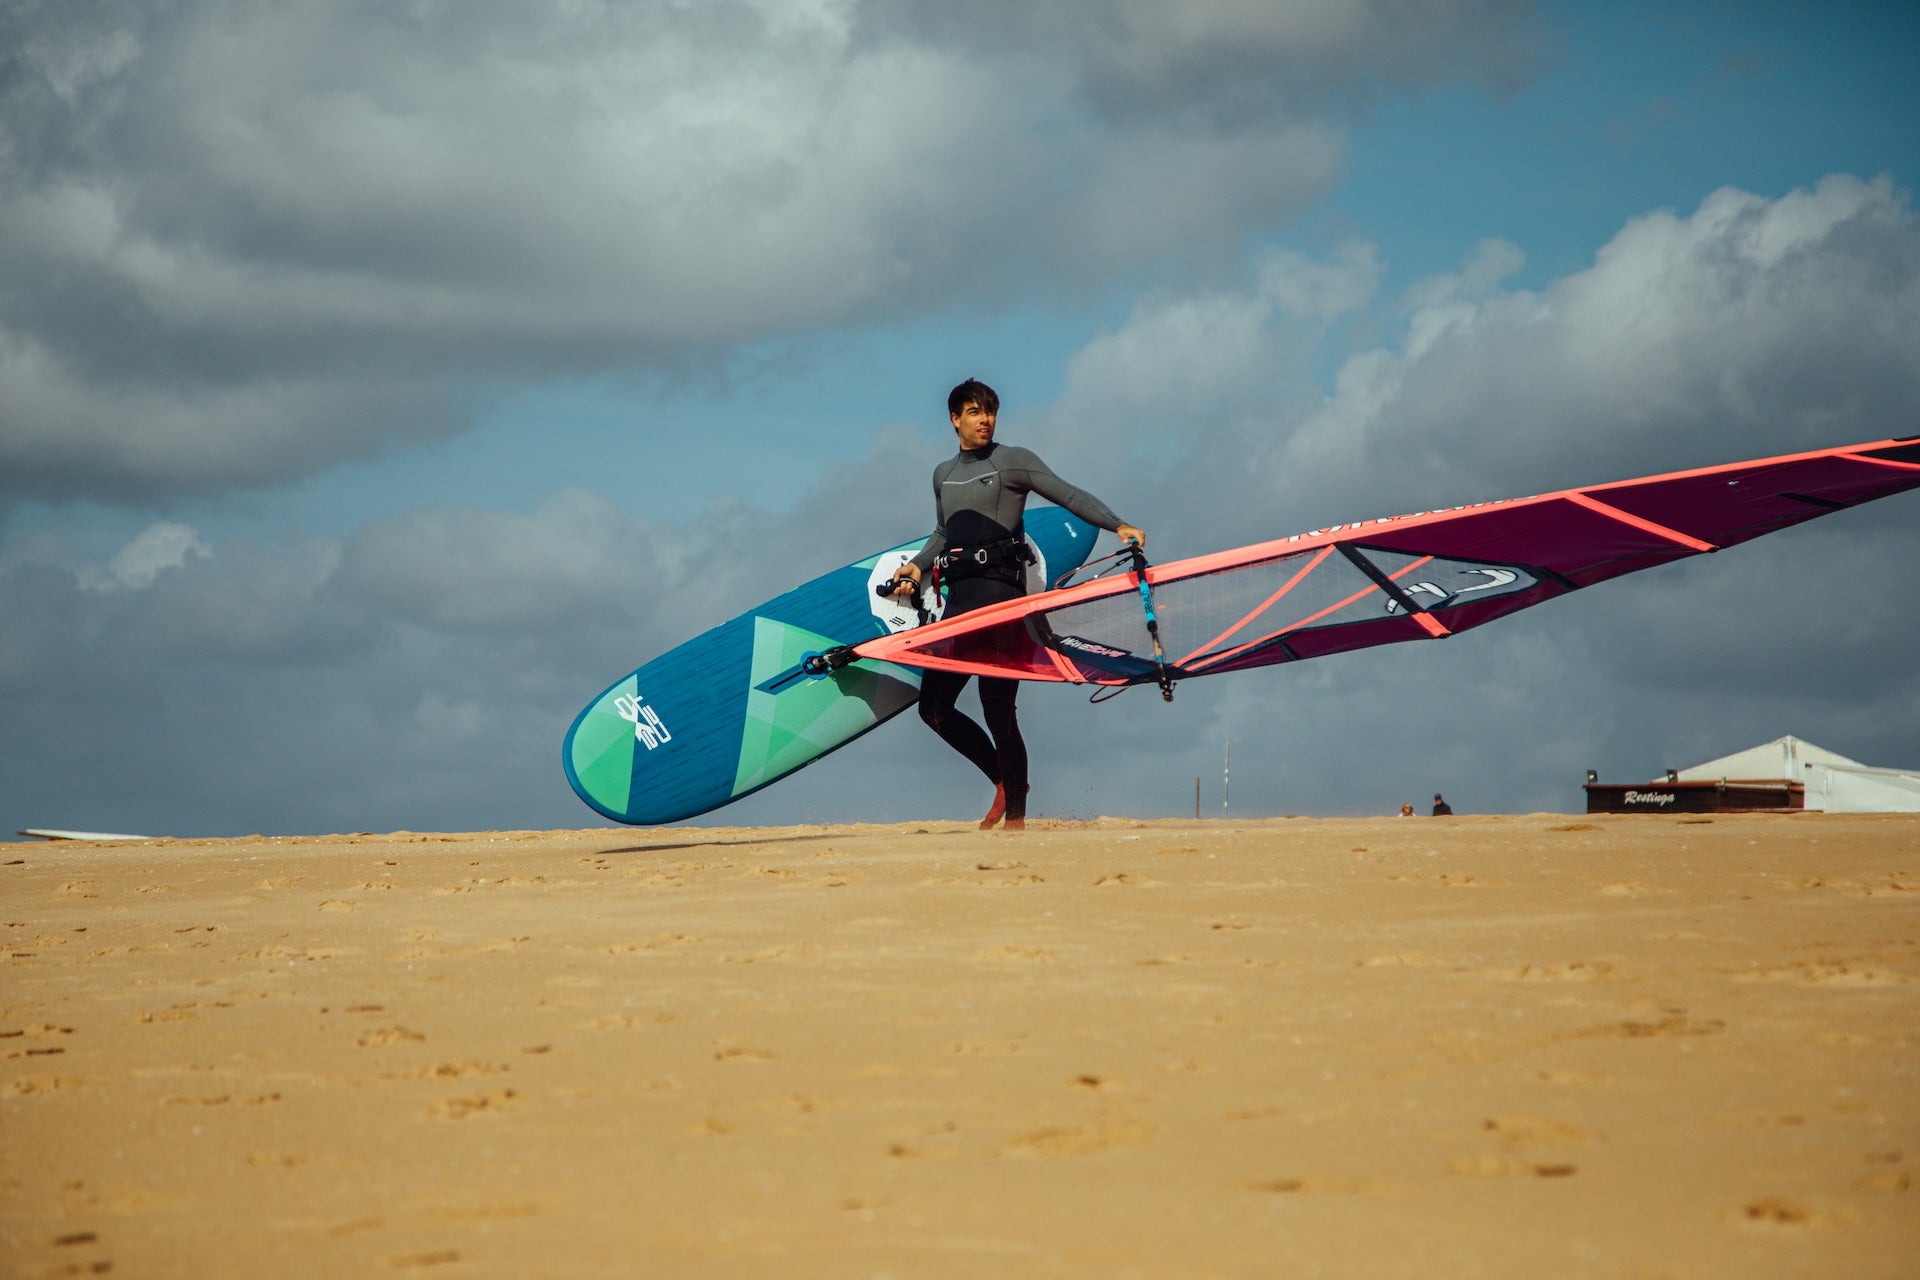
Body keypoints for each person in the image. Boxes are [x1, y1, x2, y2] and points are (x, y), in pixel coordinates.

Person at [888, 379, 1144, 831]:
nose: (984, 419)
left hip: (1002, 599)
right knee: (933, 708)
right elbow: (945, 532)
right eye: (973, 411)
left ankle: (1017, 824)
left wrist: (1118, 524)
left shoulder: (1013, 461)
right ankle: (1007, 782)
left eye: (990, 411)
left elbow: (1069, 495)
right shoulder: (943, 474)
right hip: (960, 604)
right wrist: (918, 566)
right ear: (955, 419)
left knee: (997, 708)